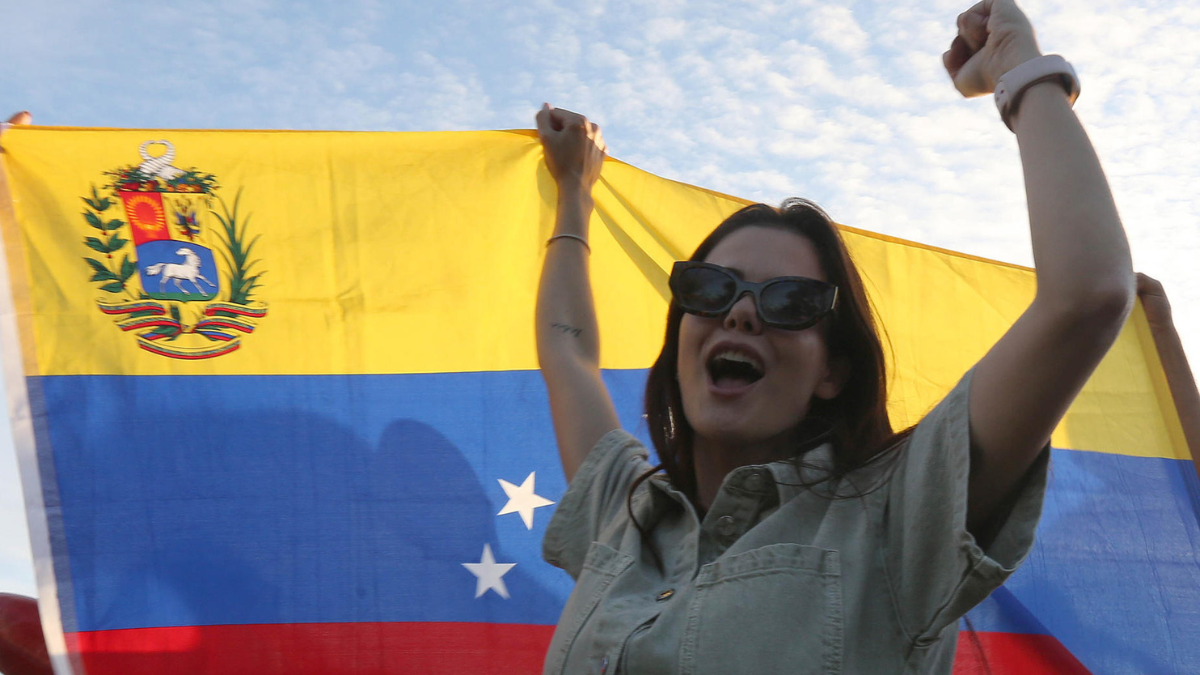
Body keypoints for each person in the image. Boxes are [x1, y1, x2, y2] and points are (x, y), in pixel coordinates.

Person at [532, 0, 1134, 672]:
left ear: (833, 369)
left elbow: (1088, 296)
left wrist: (1022, 71)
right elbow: (568, 355)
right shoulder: (624, 512)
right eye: (712, 287)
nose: (740, 314)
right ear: (681, 332)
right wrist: (574, 190)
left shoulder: (897, 519)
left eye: (790, 301)